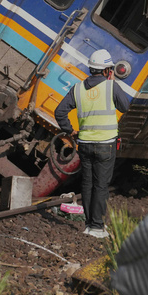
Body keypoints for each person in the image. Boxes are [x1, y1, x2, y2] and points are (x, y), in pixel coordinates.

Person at [55, 49, 132, 238]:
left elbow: (60, 112)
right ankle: (97, 227)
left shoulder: (77, 88)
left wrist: (69, 130)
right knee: (101, 186)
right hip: (105, 145)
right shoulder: (110, 87)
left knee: (88, 184)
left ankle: (89, 225)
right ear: (108, 70)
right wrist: (112, 83)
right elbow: (124, 107)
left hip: (85, 145)